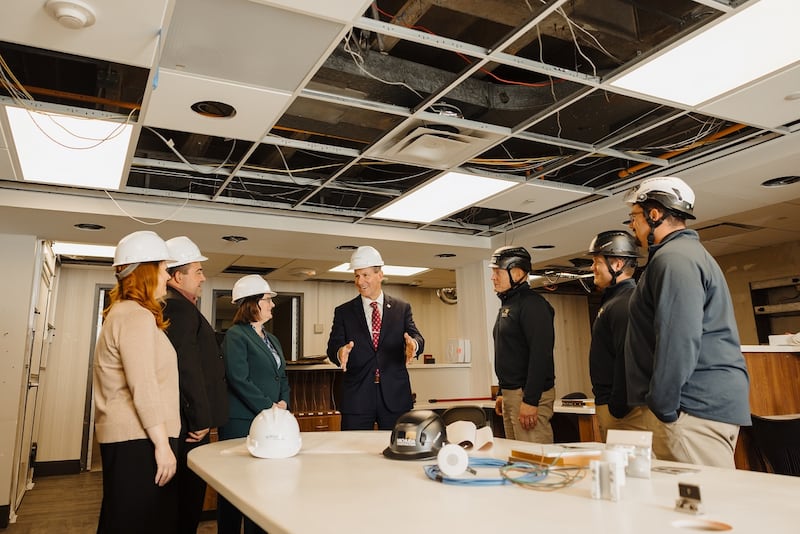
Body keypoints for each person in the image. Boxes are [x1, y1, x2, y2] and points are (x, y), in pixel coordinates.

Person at [623, 175, 750, 468]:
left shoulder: (674, 259)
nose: (632, 226)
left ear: (654, 214)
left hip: (691, 410)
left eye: (634, 217)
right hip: (694, 407)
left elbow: (678, 339)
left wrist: (664, 406)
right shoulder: (683, 255)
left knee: (710, 504)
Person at [93, 230, 181, 533]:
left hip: (131, 437)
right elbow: (143, 385)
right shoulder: (135, 316)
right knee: (133, 522)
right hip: (139, 440)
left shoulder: (122, 313)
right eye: (163, 268)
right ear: (146, 271)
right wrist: (162, 444)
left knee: (121, 519)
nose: (168, 276)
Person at [162, 236, 228, 533]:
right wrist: (200, 418)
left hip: (188, 422)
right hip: (190, 426)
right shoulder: (177, 308)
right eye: (198, 271)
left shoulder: (182, 306)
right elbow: (185, 367)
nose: (203, 278)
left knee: (187, 500)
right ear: (177, 276)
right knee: (185, 502)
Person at [217, 274, 290, 534]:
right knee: (235, 490)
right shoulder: (236, 335)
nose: (272, 305)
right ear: (252, 303)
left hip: (270, 423)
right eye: (267, 300)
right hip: (241, 423)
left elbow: (281, 375)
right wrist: (270, 406)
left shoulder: (273, 340)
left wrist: (283, 402)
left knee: (260, 489)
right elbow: (239, 378)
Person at [326, 245, 424, 431]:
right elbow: (332, 347)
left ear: (380, 274)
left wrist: (414, 345)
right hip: (357, 398)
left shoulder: (401, 308)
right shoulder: (343, 312)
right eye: (356, 275)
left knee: (399, 451)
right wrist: (340, 352)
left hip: (395, 396)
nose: (359, 281)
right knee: (354, 455)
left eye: (365, 275)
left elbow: (417, 337)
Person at [489, 246, 556, 443]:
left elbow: (540, 354)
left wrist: (531, 400)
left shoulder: (533, 305)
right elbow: (510, 353)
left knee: (534, 462)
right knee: (518, 461)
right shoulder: (509, 305)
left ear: (517, 272)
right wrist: (502, 392)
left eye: (497, 271)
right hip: (513, 395)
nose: (493, 277)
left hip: (527, 395)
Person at [586, 230, 648, 442]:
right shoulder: (614, 301)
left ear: (618, 264)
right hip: (614, 407)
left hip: (622, 412)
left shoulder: (625, 302)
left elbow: (627, 356)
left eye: (597, 261)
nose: (592, 267)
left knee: (626, 473)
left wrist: (617, 407)